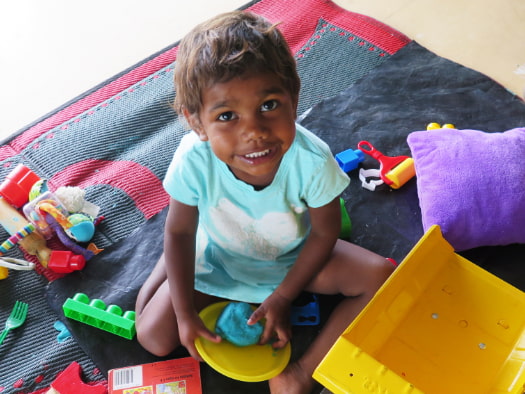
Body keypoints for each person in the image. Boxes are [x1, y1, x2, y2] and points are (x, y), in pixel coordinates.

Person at [135, 10, 396, 394]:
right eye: (227, 115)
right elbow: (177, 231)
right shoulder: (193, 156)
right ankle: (165, 274)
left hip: (294, 258)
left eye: (269, 105)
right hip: (218, 259)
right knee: (152, 337)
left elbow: (324, 233)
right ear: (197, 123)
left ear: (294, 96)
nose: (254, 132)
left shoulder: (311, 158)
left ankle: (304, 372)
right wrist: (185, 313)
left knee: (380, 278)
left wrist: (284, 296)